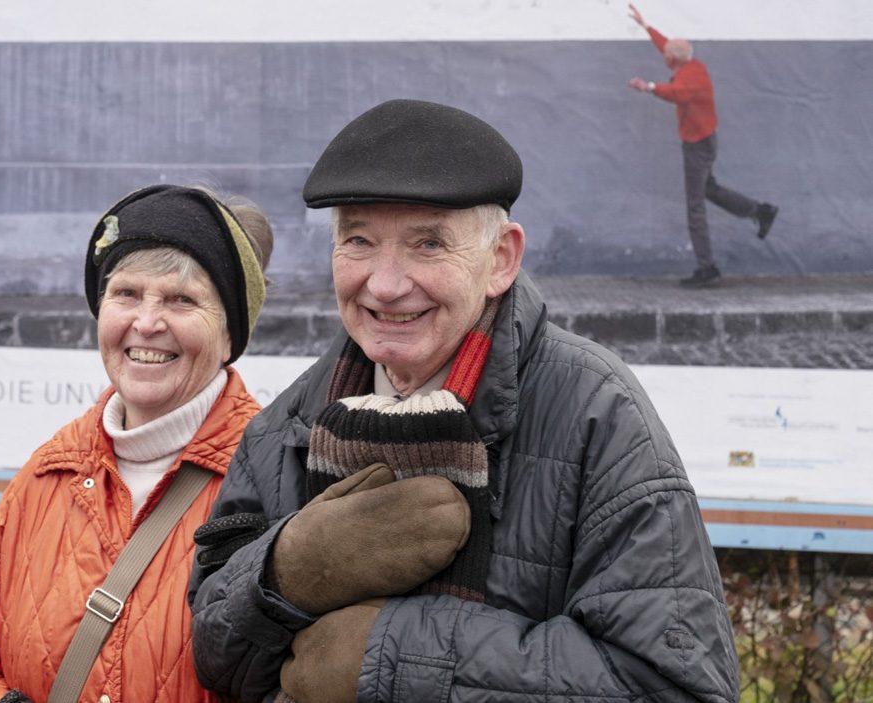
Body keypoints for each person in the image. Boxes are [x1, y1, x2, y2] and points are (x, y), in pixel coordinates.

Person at [188, 99, 738, 703]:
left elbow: (675, 686)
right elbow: (217, 657)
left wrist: (388, 658)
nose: (386, 283)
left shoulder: (597, 413)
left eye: (427, 244)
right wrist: (281, 574)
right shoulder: (288, 423)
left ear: (500, 258)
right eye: (359, 240)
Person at [0, 184, 272, 703]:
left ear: (230, 334)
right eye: (127, 293)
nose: (147, 322)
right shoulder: (45, 476)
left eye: (182, 300)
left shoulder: (275, 480)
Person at [626, 2, 778, 289]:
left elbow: (678, 94)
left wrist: (649, 87)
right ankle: (760, 211)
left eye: (668, 55)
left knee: (695, 206)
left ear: (675, 59)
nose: (664, 57)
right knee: (710, 190)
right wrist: (645, 25)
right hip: (704, 141)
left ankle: (707, 268)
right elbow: (666, 47)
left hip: (697, 146)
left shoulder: (690, 79)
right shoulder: (691, 64)